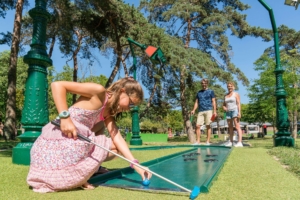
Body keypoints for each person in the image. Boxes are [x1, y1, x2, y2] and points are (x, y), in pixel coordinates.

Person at [27, 77, 152, 193]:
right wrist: (65, 117)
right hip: (59, 139)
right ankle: (82, 173)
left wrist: (136, 165)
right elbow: (57, 85)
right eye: (130, 103)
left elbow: (117, 137)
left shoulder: (108, 113)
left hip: (75, 142)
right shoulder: (99, 92)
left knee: (114, 143)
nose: (129, 109)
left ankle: (91, 170)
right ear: (122, 91)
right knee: (103, 133)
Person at [191, 79, 217, 145]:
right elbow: (196, 102)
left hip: (209, 110)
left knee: (208, 125)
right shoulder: (199, 92)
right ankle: (198, 141)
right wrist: (193, 110)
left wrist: (215, 111)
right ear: (201, 84)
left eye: (205, 83)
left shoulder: (211, 91)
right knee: (197, 126)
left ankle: (208, 141)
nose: (203, 84)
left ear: (207, 84)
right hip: (200, 111)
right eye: (202, 83)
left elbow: (213, 101)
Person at [222, 82, 243, 147]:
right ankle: (231, 142)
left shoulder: (236, 94)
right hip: (228, 112)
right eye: (228, 86)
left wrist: (239, 112)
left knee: (237, 126)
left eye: (231, 86)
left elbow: (238, 103)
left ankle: (239, 142)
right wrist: (224, 107)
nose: (229, 87)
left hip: (235, 111)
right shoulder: (225, 95)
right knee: (230, 128)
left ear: (233, 87)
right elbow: (223, 105)